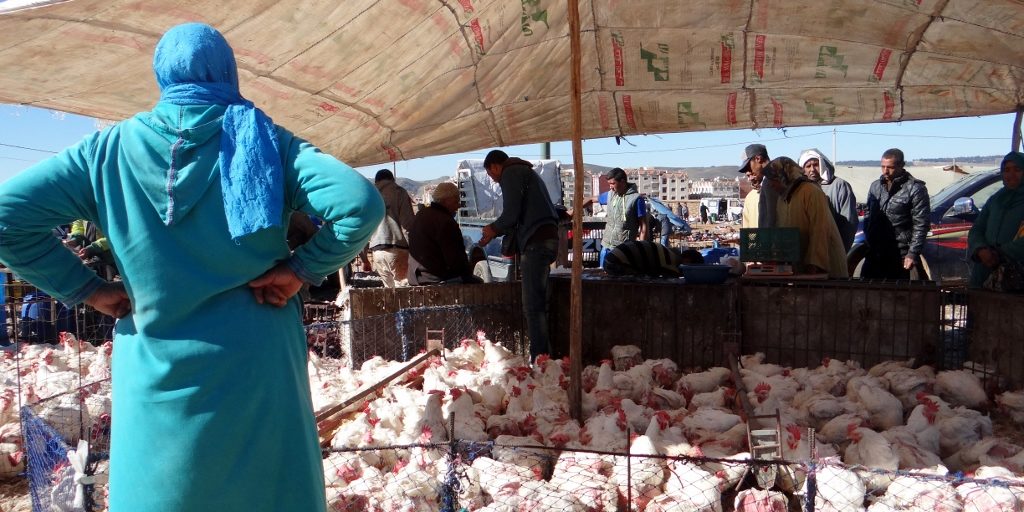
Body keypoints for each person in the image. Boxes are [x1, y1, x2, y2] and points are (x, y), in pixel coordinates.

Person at [0, 23, 384, 512]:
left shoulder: (106, 152)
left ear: (162, 78)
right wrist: (300, 270)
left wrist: (87, 288)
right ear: (228, 72)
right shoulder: (264, 140)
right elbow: (359, 204)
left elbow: (6, 218)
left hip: (155, 369)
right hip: (258, 364)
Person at [478, 150, 558, 361]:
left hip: (536, 242)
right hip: (546, 239)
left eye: (490, 174)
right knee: (539, 304)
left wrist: (492, 229)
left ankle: (540, 359)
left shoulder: (511, 173)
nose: (493, 179)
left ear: (495, 166)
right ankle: (544, 356)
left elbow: (511, 213)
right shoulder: (527, 172)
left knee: (533, 306)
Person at [762, 157, 849, 277]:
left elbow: (820, 230)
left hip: (826, 269)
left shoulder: (810, 191)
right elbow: (782, 231)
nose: (771, 185)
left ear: (784, 176)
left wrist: (814, 264)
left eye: (774, 179)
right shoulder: (782, 199)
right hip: (801, 270)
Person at [863, 148, 931, 280]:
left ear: (901, 165)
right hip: (875, 251)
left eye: (890, 167)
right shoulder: (875, 186)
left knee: (900, 296)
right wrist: (868, 236)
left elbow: (921, 224)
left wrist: (912, 253)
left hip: (901, 254)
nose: (885, 171)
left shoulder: (915, 189)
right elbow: (868, 213)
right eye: (882, 167)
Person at [967, 151, 1024, 290]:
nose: (1011, 175)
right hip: (984, 273)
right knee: (980, 310)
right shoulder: (996, 199)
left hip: (1016, 278)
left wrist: (999, 254)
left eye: (1017, 170)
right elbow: (977, 229)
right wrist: (980, 249)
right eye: (1006, 170)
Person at [408, 182, 480, 285]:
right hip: (434, 279)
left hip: (414, 277)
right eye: (456, 201)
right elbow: (456, 259)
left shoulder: (421, 215)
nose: (459, 205)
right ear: (447, 200)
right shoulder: (445, 221)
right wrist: (467, 275)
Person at [798, 148, 859, 252]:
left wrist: (840, 251)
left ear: (822, 165)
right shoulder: (801, 189)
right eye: (808, 166)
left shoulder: (839, 185)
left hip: (832, 249)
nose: (812, 169)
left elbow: (849, 223)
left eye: (816, 165)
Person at [368, 168, 416, 287]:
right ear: (392, 179)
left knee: (389, 292)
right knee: (402, 290)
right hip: (396, 248)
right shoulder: (399, 192)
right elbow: (408, 224)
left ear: (376, 181)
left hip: (377, 251)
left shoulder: (370, 194)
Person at [597, 167, 647, 266]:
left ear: (622, 181)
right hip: (606, 247)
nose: (610, 187)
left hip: (623, 249)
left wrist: (641, 248)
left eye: (613, 183)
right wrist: (572, 211)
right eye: (609, 184)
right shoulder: (610, 195)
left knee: (619, 278)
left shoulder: (636, 199)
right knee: (603, 277)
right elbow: (592, 199)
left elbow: (643, 226)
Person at [603, 240, 703, 277]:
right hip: (613, 263)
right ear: (687, 259)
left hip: (610, 260)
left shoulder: (666, 251)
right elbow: (669, 272)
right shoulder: (669, 259)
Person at [739, 143, 776, 229]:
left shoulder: (782, 188)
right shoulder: (750, 197)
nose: (750, 178)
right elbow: (748, 231)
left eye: (749, 169)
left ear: (758, 159)